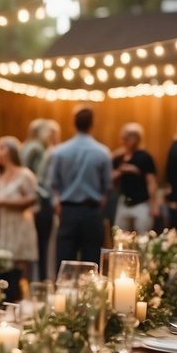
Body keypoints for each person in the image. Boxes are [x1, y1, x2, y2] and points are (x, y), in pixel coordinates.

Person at [48, 107, 113, 268]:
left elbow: (52, 184)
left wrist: (57, 204)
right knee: (91, 264)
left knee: (65, 264)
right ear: (92, 124)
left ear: (73, 124)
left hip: (68, 210)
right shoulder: (102, 152)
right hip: (91, 211)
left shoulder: (60, 152)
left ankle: (64, 293)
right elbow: (107, 187)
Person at [0, 137, 38, 275]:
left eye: (0, 148)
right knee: (5, 268)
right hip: (5, 226)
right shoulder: (1, 175)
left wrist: (5, 202)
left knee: (20, 270)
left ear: (10, 151)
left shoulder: (25, 174)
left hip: (20, 226)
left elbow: (33, 198)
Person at [21, 118, 57, 280]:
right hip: (39, 200)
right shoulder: (36, 148)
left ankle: (34, 280)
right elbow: (33, 176)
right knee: (41, 246)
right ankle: (40, 280)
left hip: (33, 199)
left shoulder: (28, 146)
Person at [111, 122, 159, 234]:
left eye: (127, 138)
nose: (123, 141)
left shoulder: (144, 157)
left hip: (141, 202)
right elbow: (111, 177)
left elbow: (151, 182)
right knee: (120, 235)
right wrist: (121, 171)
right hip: (124, 201)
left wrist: (153, 205)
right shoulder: (119, 157)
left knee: (143, 236)